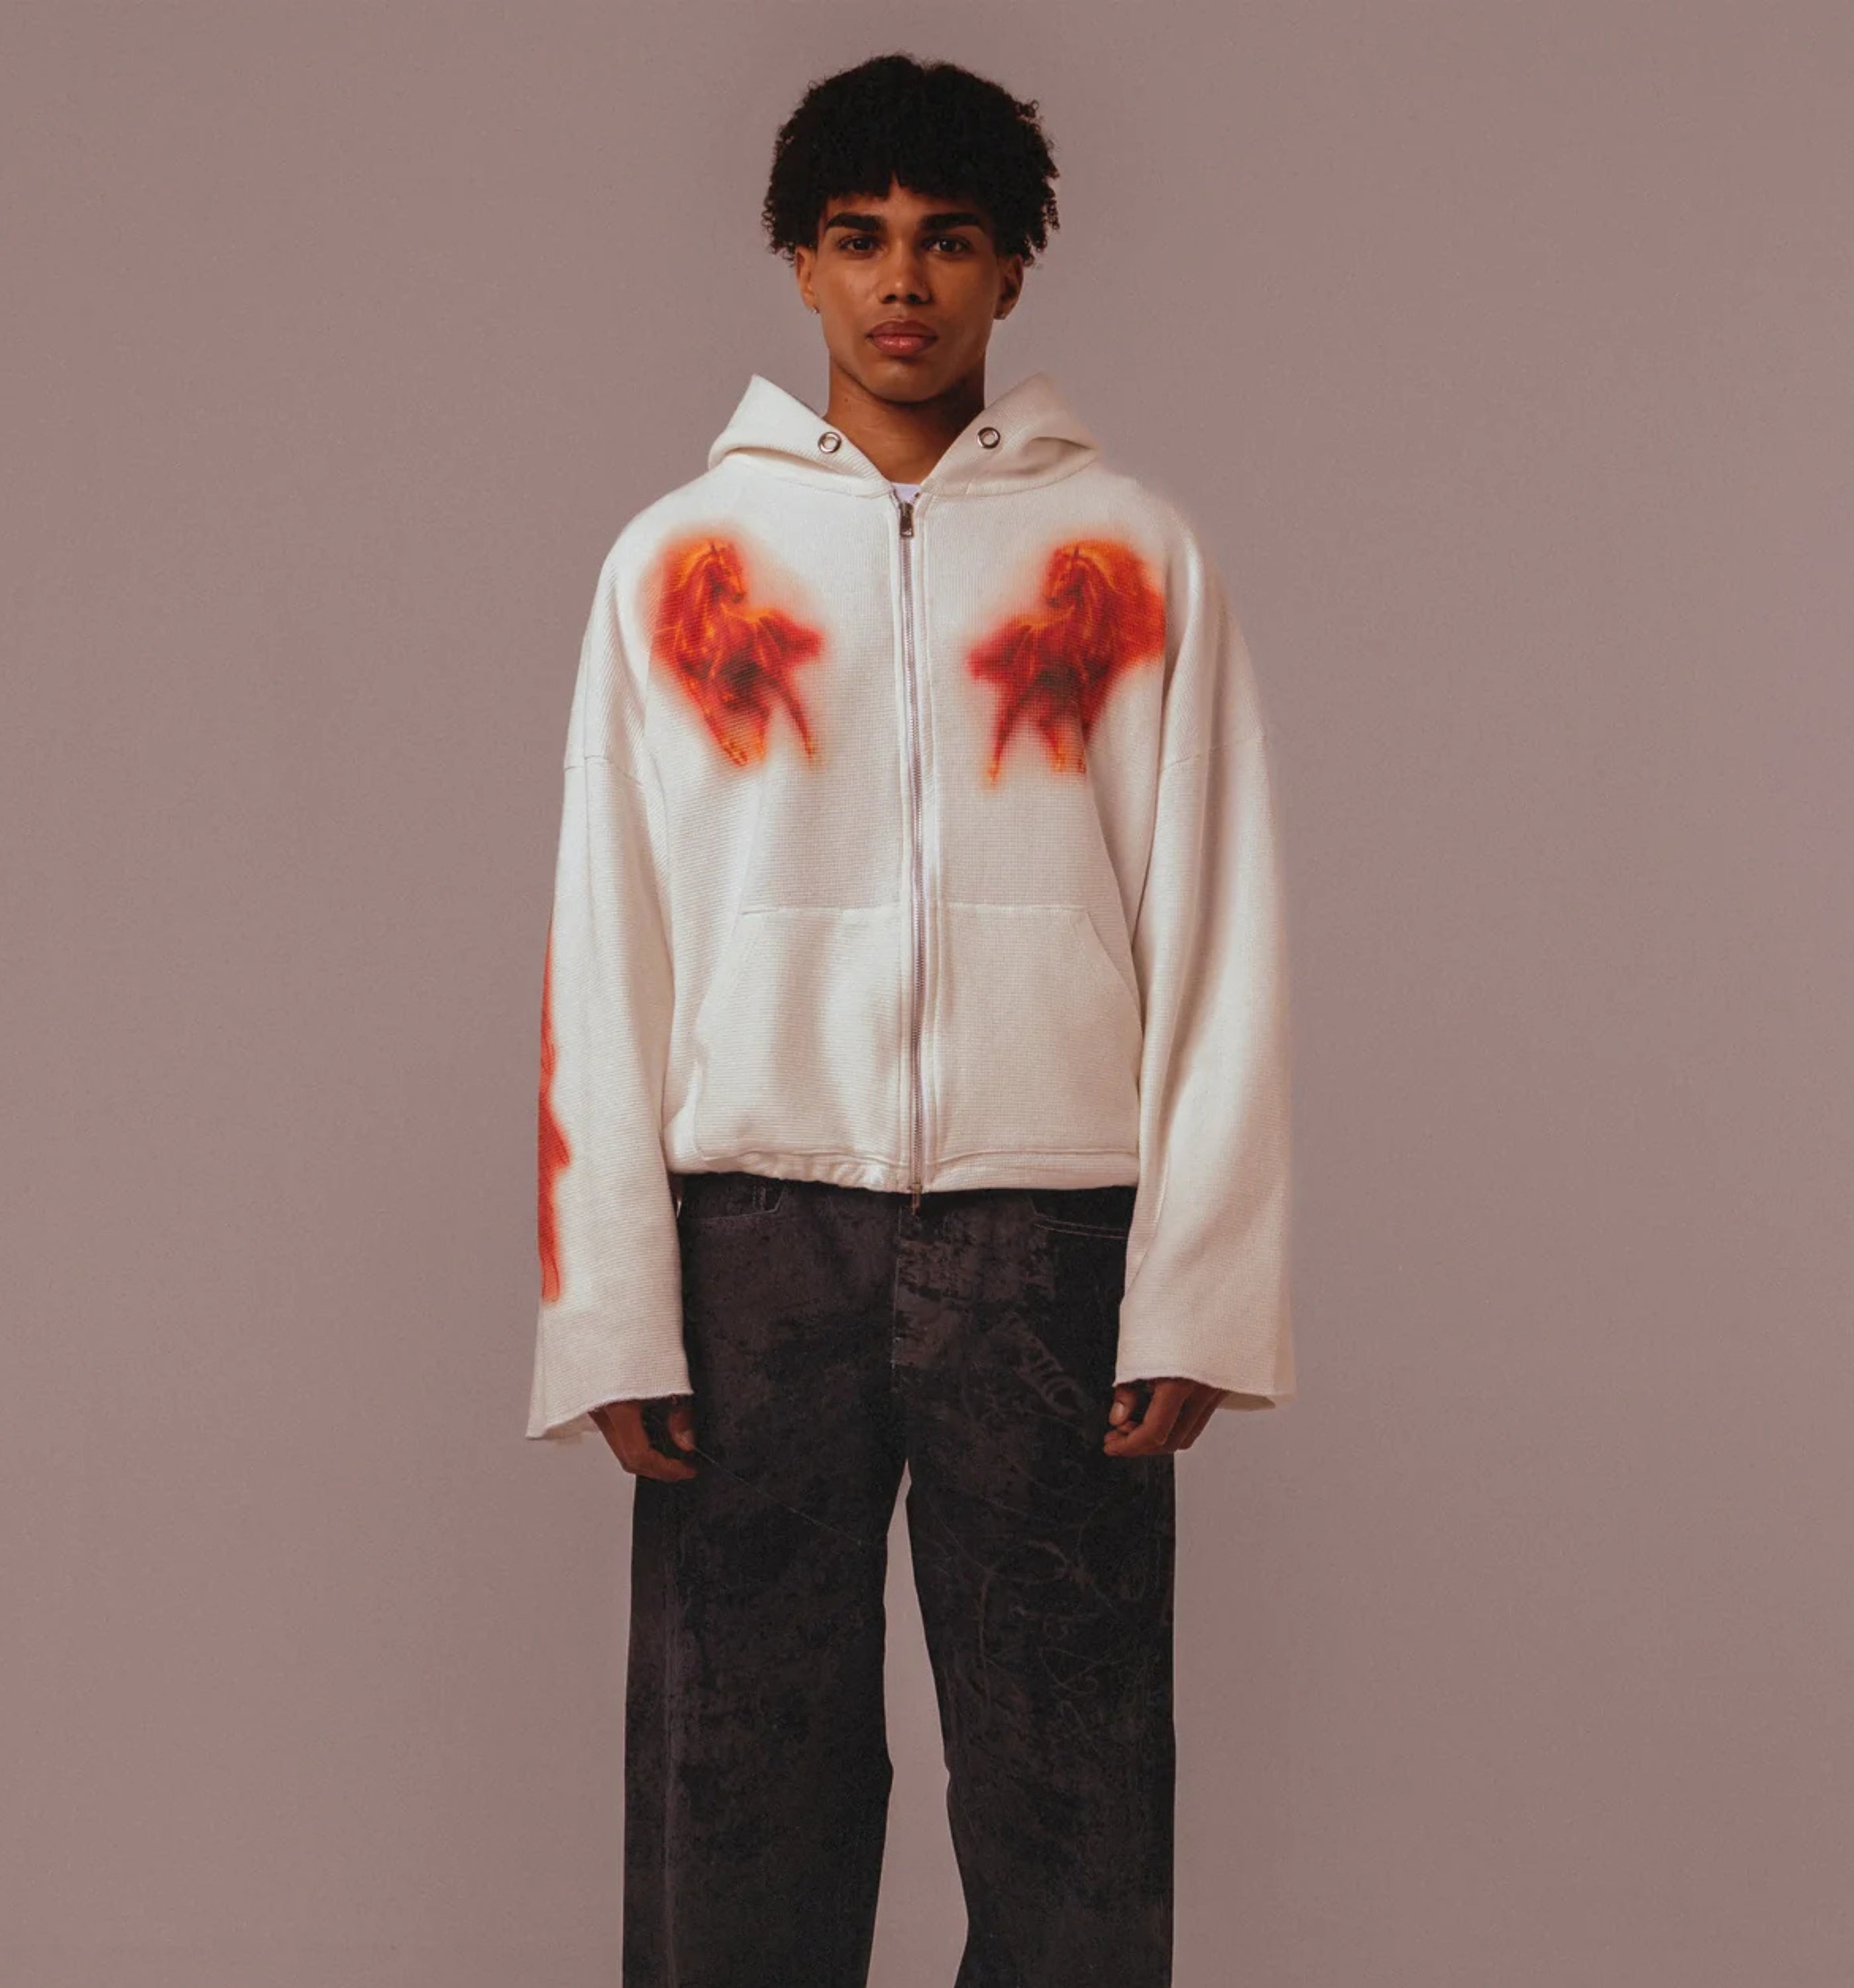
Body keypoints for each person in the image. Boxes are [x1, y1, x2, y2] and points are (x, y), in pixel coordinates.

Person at [527, 50, 1295, 1988]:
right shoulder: (675, 565)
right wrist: (610, 1302)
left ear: (1012, 269)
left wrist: (1197, 1285)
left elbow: (1217, 925)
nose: (901, 281)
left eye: (949, 240)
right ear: (796, 259)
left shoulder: (1130, 558)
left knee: (1075, 1794)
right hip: (751, 1235)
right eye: (858, 237)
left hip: (1051, 1238)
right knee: (736, 1788)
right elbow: (607, 941)